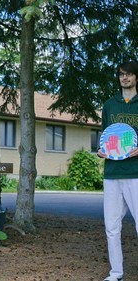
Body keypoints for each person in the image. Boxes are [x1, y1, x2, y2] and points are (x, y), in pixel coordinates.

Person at [97, 61, 138, 281]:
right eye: (121, 74)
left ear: (136, 78)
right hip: (112, 173)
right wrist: (100, 151)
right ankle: (116, 274)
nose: (125, 78)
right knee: (111, 226)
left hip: (136, 173)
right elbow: (104, 136)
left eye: (129, 74)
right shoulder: (109, 105)